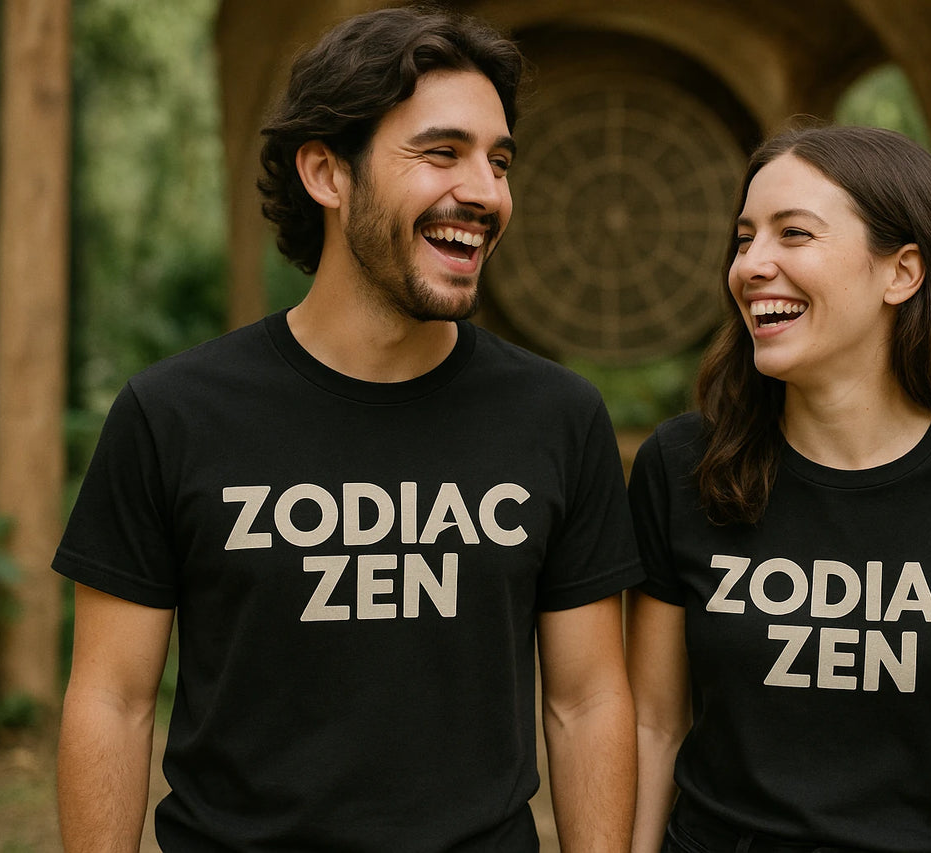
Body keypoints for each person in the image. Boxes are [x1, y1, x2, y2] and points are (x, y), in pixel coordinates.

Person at [55, 7, 642, 851]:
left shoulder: (558, 416)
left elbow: (585, 698)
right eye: (442, 152)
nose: (484, 190)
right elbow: (112, 697)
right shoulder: (173, 413)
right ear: (327, 173)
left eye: (499, 160)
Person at [626, 123, 931, 853]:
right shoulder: (682, 463)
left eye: (793, 234)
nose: (752, 264)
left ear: (902, 272)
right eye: (744, 236)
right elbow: (652, 724)